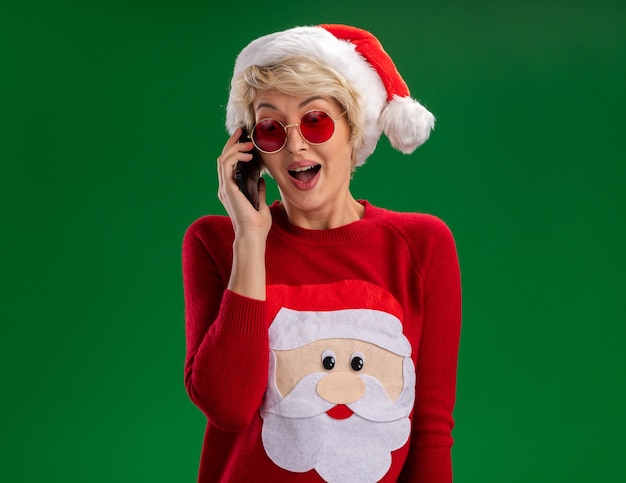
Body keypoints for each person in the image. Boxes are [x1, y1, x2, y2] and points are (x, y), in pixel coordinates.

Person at [182, 24, 462, 483]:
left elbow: (431, 432)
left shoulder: (421, 245)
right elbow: (227, 407)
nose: (295, 144)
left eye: (315, 120)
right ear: (251, 150)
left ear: (354, 129)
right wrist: (250, 240)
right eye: (271, 128)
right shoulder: (215, 243)